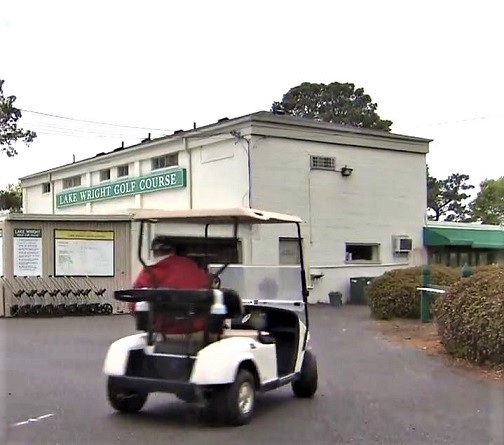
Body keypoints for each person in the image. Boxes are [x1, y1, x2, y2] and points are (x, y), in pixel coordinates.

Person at [130, 235, 212, 337]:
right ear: (173, 250)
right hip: (200, 332)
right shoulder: (194, 267)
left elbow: (134, 305)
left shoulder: (150, 273)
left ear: (154, 252)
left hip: (166, 333)